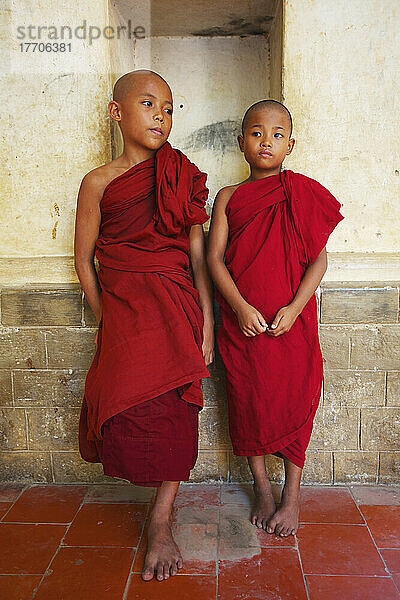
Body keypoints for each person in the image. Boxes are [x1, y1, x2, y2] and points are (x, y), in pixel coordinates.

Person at [74, 70, 214, 581]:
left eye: (169, 108)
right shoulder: (99, 182)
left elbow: (197, 259)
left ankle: (160, 521)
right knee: (130, 409)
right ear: (117, 113)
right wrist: (106, 315)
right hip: (127, 314)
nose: (161, 116)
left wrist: (208, 325)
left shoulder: (182, 175)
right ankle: (148, 503)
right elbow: (84, 259)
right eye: (149, 104)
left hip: (178, 311)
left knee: (177, 412)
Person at [207, 99, 343, 537]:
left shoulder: (298, 193)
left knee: (297, 400)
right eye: (256, 133)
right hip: (243, 324)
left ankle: (292, 497)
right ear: (241, 142)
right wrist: (241, 307)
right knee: (249, 402)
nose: (267, 141)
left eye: (277, 134)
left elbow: (319, 262)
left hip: (291, 324)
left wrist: (295, 308)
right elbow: (214, 260)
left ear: (291, 144)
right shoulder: (228, 197)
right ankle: (262, 487)